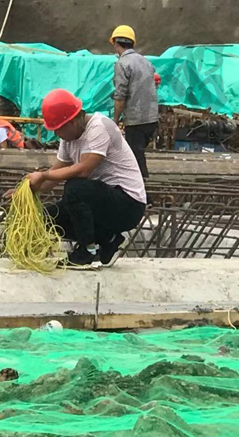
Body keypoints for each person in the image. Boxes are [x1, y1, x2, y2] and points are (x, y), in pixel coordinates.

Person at [21, 89, 147, 268]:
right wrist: (27, 190)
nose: (56, 134)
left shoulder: (100, 126)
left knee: (75, 188)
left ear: (72, 121)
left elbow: (84, 170)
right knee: (46, 218)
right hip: (103, 204)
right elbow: (54, 177)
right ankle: (108, 239)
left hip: (128, 204)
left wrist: (42, 174)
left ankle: (88, 252)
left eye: (58, 129)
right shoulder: (68, 138)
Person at [110, 25, 159, 180]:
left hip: (136, 120)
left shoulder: (122, 64)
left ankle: (143, 194)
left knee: (134, 160)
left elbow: (120, 96)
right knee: (137, 155)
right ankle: (143, 190)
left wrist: (115, 121)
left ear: (116, 44)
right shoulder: (146, 62)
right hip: (151, 118)